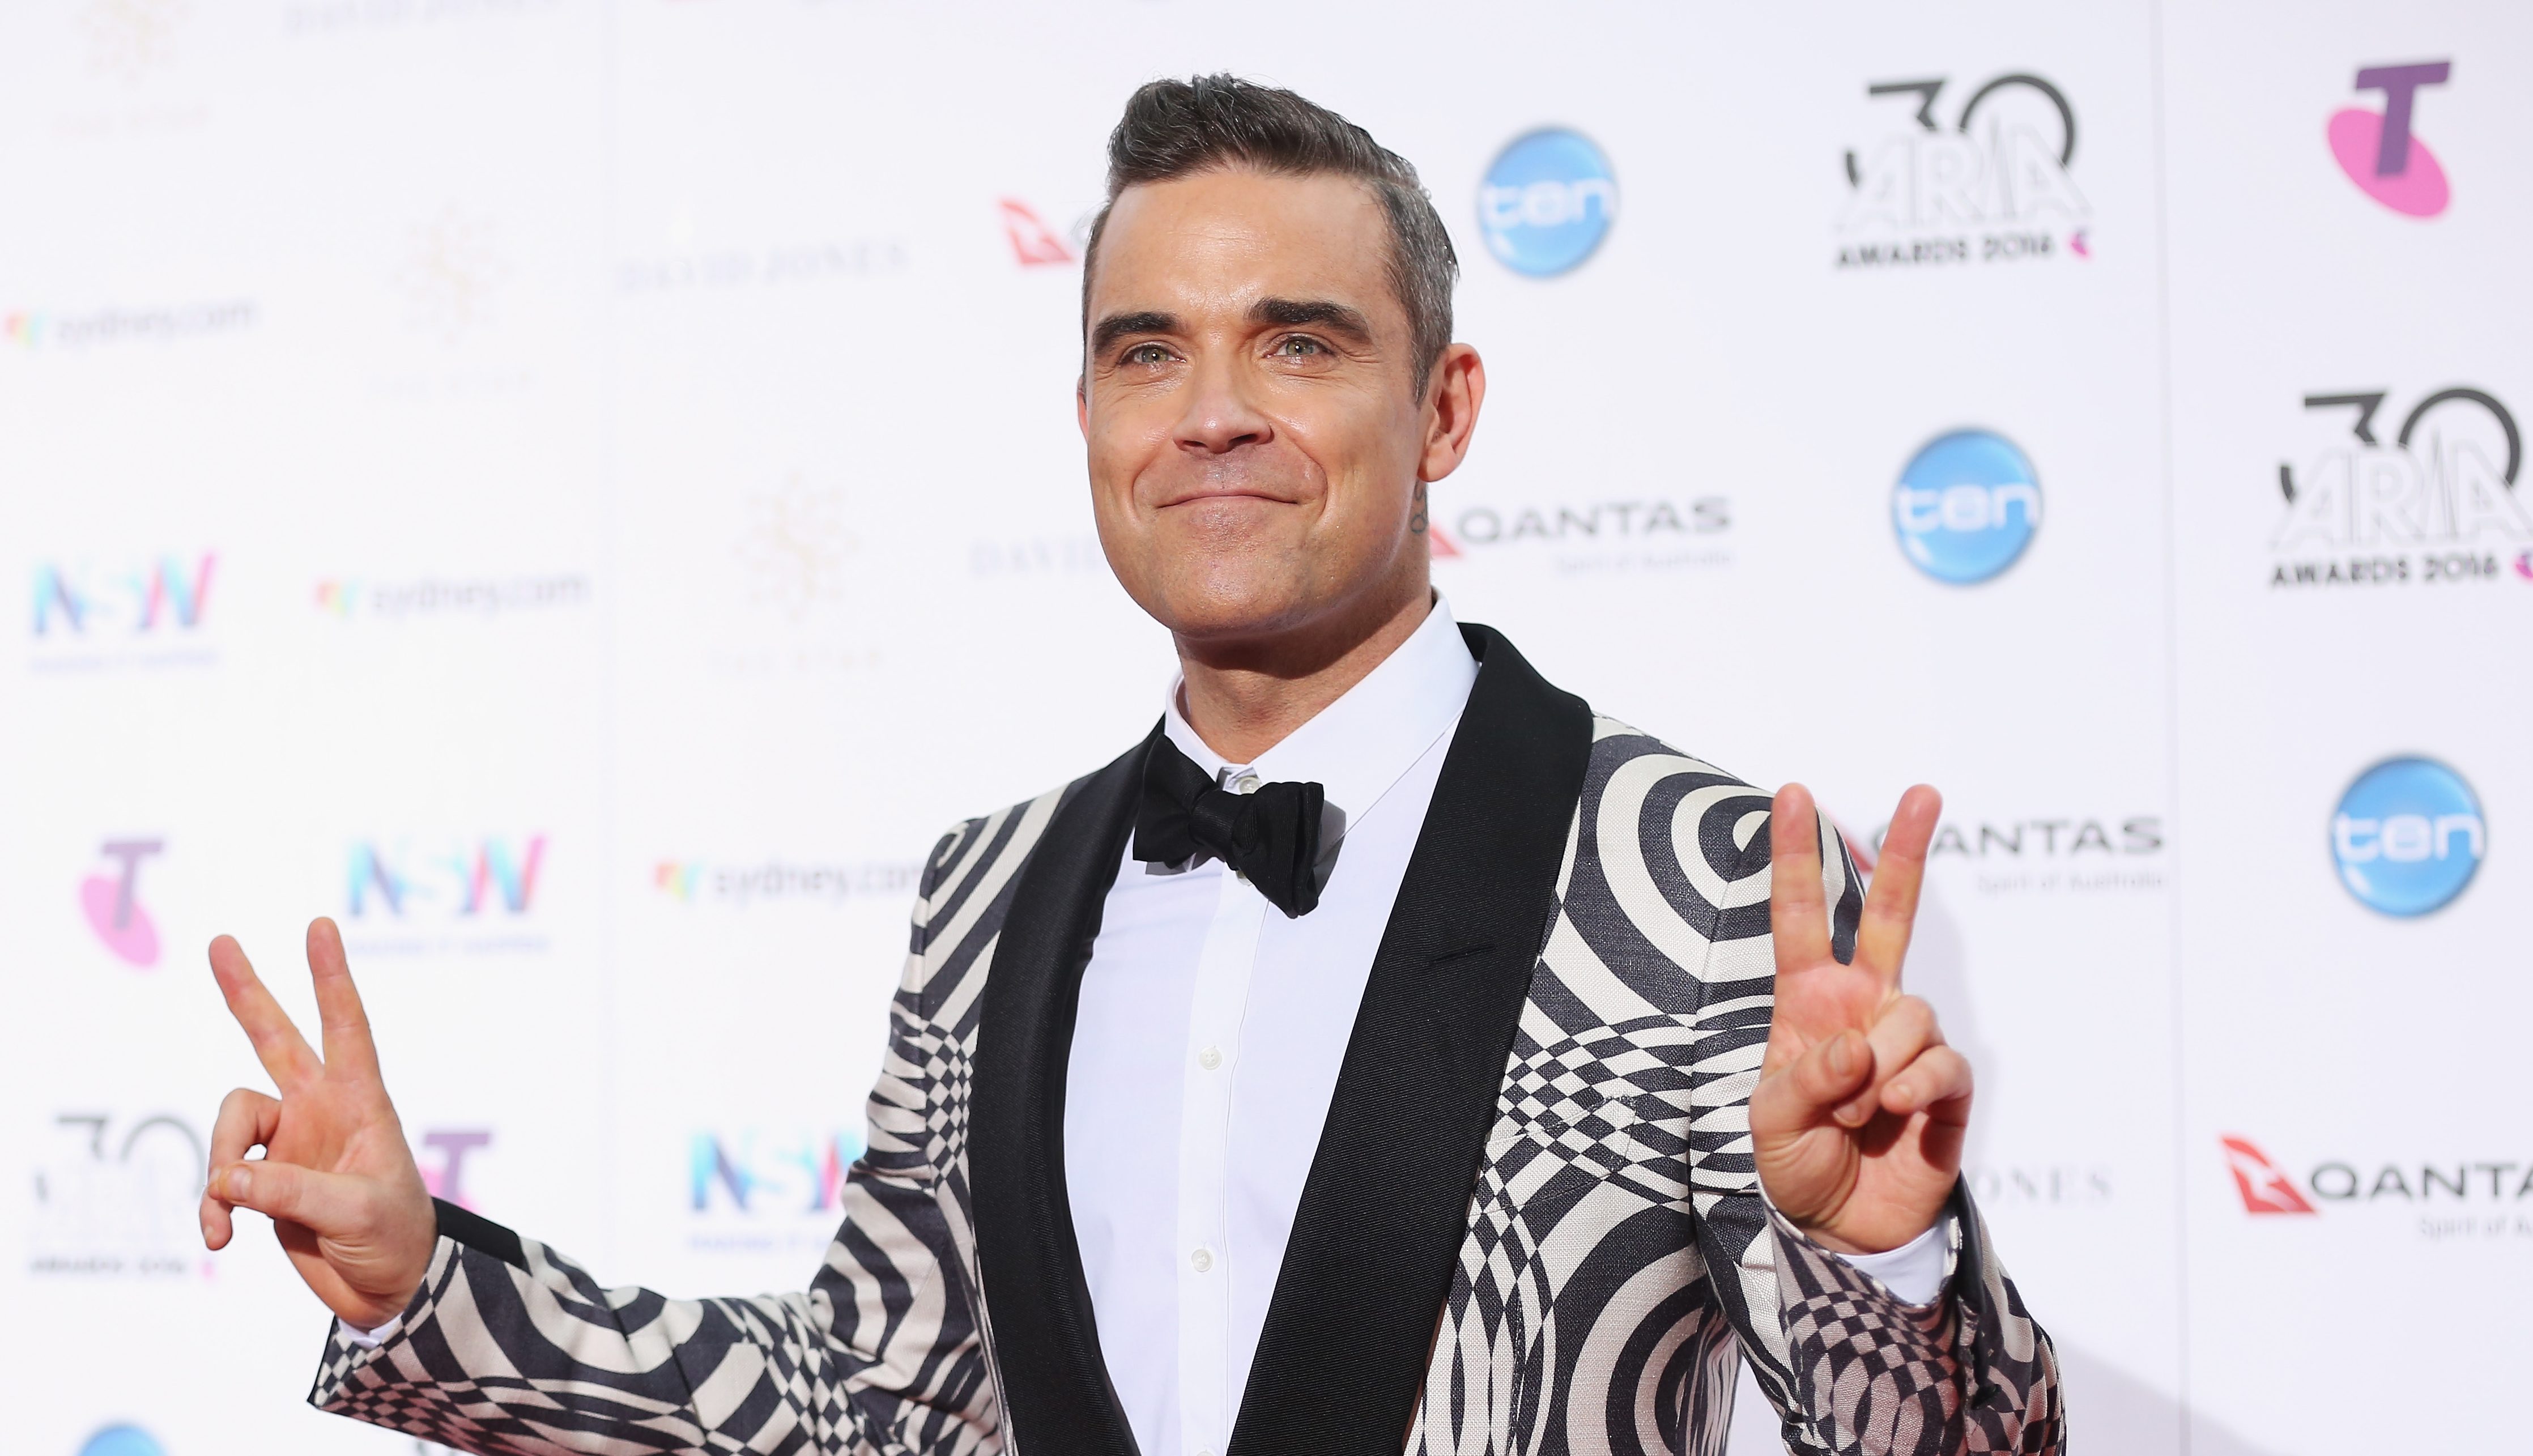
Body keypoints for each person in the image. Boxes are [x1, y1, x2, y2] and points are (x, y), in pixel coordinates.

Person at [199, 75, 2062, 1456]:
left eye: (1300, 342)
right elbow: (875, 1401)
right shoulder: (988, 888)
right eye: (1146, 349)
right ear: (1088, 413)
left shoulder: (1691, 867)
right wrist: (422, 1277)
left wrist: (1883, 1271)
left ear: (1444, 407)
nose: (1216, 411)